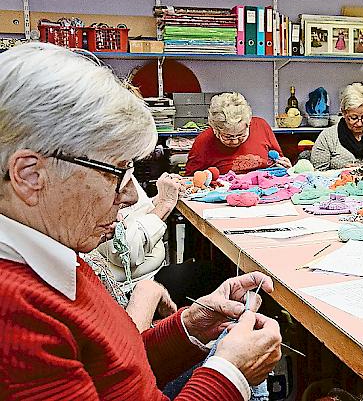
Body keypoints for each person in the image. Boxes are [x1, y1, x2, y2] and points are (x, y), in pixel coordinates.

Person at [0, 43, 281, 399]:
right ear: (29, 175)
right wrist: (230, 375)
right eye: (116, 172)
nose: (132, 196)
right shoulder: (17, 321)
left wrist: (189, 328)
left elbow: (115, 372)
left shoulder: (50, 255)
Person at [89, 172, 184, 291]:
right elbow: (125, 255)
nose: (133, 197)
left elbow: (137, 214)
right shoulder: (97, 175)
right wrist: (165, 204)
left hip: (151, 276)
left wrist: (160, 198)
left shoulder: (118, 169)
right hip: (131, 289)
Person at [186, 92, 291, 175]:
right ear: (215, 129)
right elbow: (191, 179)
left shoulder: (261, 126)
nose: (235, 141)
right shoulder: (203, 141)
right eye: (228, 137)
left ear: (248, 123)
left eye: (241, 135)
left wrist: (285, 166)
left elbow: (278, 159)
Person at [311, 83, 363, 170]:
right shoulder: (327, 138)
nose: (359, 123)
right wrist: (341, 172)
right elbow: (317, 175)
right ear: (343, 113)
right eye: (354, 118)